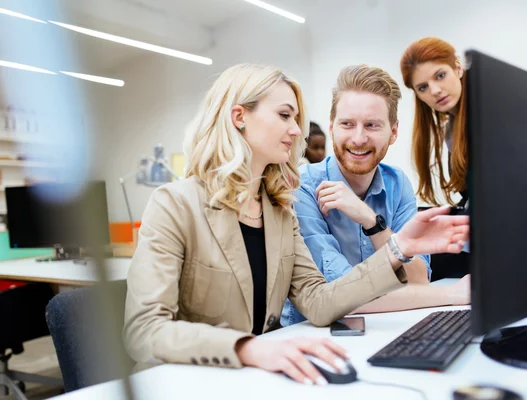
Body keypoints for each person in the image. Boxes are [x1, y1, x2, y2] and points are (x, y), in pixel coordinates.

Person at [123, 63, 469, 386]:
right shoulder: (175, 203)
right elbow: (144, 331)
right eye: (285, 115)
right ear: (239, 117)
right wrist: (248, 347)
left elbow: (318, 301)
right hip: (180, 381)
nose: (296, 130)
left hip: (250, 378)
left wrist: (399, 247)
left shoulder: (277, 211)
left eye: (296, 117)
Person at [281, 65, 470, 326]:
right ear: (332, 127)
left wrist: (372, 221)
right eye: (347, 124)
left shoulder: (397, 183)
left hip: (382, 330)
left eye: (371, 125)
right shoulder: (303, 187)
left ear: (393, 132)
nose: (359, 138)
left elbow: (418, 279)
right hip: (310, 336)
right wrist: (450, 294)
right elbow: (337, 298)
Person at [400, 37, 470, 279]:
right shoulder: (452, 128)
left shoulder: (486, 116)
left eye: (440, 76)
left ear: (458, 67)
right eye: (423, 87)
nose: (435, 90)